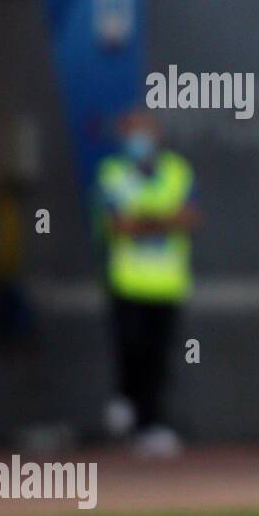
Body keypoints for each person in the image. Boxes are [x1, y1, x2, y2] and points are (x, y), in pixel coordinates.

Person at [96, 108, 199, 458]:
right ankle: (127, 401)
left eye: (145, 132)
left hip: (167, 282)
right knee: (129, 347)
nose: (140, 141)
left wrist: (143, 219)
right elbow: (117, 224)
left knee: (157, 357)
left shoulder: (176, 171)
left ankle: (151, 424)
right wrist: (162, 220)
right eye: (132, 133)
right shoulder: (114, 173)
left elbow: (188, 217)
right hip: (128, 280)